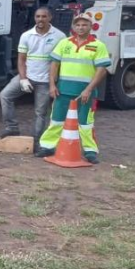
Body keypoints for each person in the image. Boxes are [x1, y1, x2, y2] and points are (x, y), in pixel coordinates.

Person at [36, 13, 111, 163]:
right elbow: (54, 64)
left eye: (84, 25)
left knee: (85, 123)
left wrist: (88, 89)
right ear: (73, 27)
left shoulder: (98, 45)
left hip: (85, 93)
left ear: (90, 26)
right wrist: (52, 85)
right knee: (56, 120)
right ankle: (48, 146)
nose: (81, 27)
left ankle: (90, 151)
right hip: (63, 91)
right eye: (78, 25)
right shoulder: (65, 43)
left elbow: (101, 69)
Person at [0, 7, 66, 139]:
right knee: (5, 95)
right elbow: (22, 59)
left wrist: (55, 82)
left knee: (40, 112)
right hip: (28, 76)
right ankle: (11, 127)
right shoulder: (27, 35)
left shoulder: (60, 36)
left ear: (50, 18)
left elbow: (60, 62)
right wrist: (23, 79)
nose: (40, 19)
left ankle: (36, 139)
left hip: (46, 81)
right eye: (38, 16)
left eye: (44, 16)